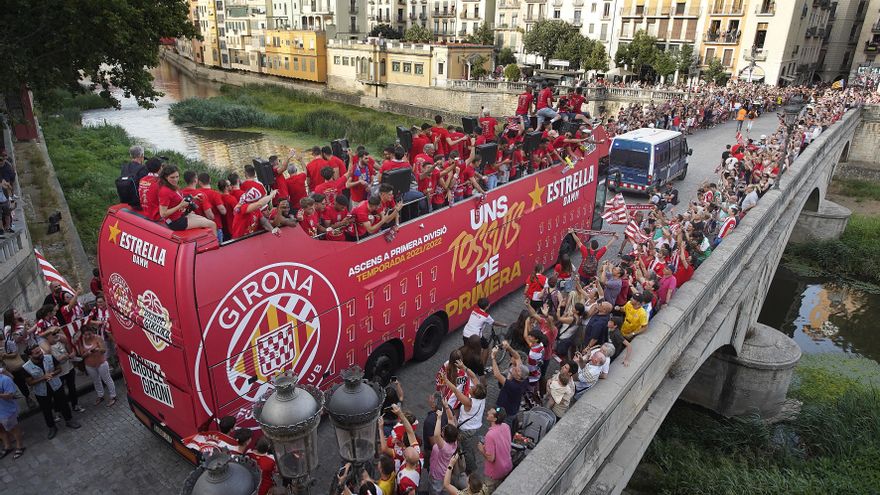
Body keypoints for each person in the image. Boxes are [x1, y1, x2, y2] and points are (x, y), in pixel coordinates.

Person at [22, 345, 81, 438]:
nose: (40, 353)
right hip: (41, 391)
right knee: (46, 410)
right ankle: (52, 427)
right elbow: (30, 382)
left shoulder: (49, 357)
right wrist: (43, 378)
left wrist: (52, 374)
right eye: (36, 353)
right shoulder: (26, 367)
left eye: (40, 351)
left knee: (63, 403)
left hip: (56, 385)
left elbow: (59, 369)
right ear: (30, 356)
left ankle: (69, 420)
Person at [441, 361, 486, 474]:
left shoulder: (469, 402)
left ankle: (469, 469)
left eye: (472, 389)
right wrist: (463, 367)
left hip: (466, 430)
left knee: (465, 448)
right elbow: (473, 376)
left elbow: (456, 391)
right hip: (475, 425)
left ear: (474, 394)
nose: (470, 387)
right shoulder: (482, 396)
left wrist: (446, 380)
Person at [157, 165, 217, 234]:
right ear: (165, 177)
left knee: (204, 219)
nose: (175, 179)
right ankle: (217, 244)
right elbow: (163, 214)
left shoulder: (173, 186)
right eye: (172, 177)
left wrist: (193, 198)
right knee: (212, 224)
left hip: (180, 216)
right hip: (175, 222)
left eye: (177, 177)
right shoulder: (165, 191)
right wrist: (180, 206)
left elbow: (177, 199)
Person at [78, 326, 117, 407]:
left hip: (101, 363)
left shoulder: (98, 338)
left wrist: (98, 349)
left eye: (89, 334)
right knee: (96, 381)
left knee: (107, 379)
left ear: (92, 332)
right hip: (89, 365)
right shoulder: (81, 341)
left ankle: (113, 396)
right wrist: (87, 353)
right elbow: (82, 355)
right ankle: (100, 395)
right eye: (86, 335)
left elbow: (104, 350)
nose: (88, 336)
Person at [490, 343, 529, 422]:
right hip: (512, 408)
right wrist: (509, 347)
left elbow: (497, 375)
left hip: (505, 410)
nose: (514, 368)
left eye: (516, 370)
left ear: (518, 377)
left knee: (498, 420)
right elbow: (517, 357)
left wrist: (493, 358)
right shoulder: (523, 377)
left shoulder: (513, 385)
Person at [478, 406, 513, 492]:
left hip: (494, 472)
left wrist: (481, 450)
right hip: (507, 466)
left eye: (490, 412)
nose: (488, 412)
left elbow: (491, 458)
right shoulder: (505, 426)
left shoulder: (490, 435)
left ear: (494, 419)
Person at [428, 410, 459, 495]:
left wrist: (439, 418)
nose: (442, 430)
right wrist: (446, 406)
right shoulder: (455, 441)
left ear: (445, 436)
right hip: (445, 472)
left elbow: (436, 435)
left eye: (443, 430)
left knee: (435, 491)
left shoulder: (444, 447)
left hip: (437, 475)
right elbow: (450, 419)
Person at [0, 368, 25, 460]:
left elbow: (10, 395)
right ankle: (8, 446)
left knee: (13, 428)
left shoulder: (5, 379)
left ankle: (20, 446)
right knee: (1, 430)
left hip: (6, 411)